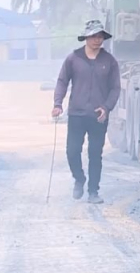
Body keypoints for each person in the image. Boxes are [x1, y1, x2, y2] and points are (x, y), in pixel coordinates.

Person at [52, 19, 121, 204]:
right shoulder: (73, 59)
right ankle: (79, 178)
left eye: (100, 36)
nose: (97, 40)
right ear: (86, 38)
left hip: (99, 116)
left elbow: (115, 88)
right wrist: (58, 104)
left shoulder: (109, 61)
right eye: (93, 36)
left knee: (95, 154)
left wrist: (106, 107)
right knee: (72, 151)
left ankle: (93, 192)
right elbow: (62, 82)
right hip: (76, 113)